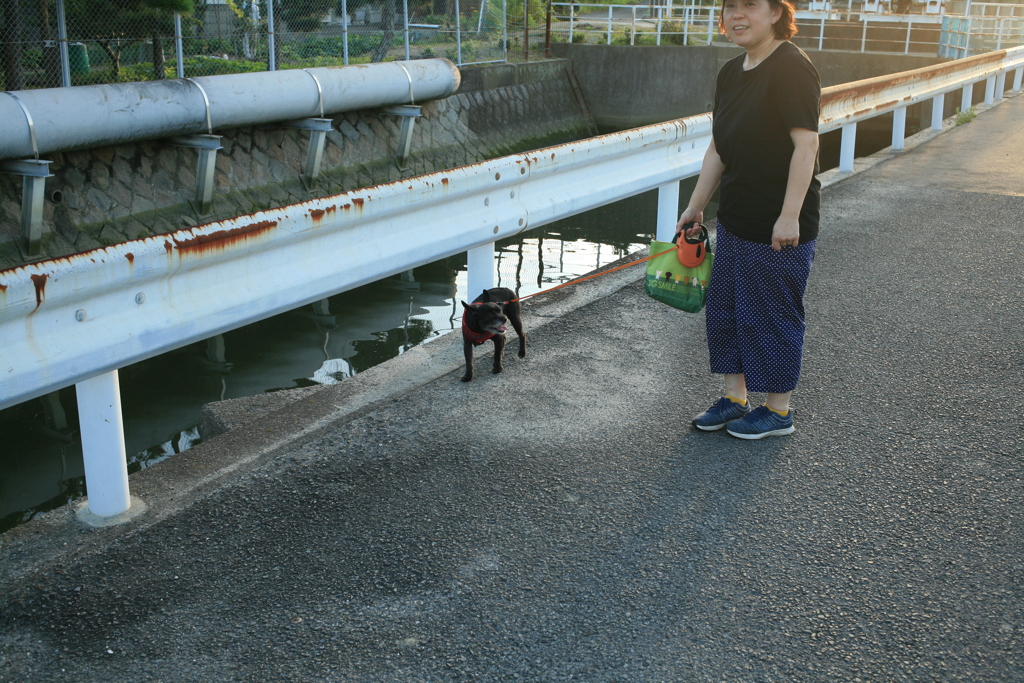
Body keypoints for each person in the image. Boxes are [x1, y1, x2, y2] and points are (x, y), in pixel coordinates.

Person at [677, 0, 821, 439]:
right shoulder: (730, 72)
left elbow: (806, 146)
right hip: (737, 217)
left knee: (772, 314)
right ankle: (735, 397)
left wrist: (789, 216)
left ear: (777, 13)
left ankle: (779, 410)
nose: (737, 16)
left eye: (749, 6)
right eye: (729, 7)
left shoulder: (791, 67)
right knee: (726, 311)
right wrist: (696, 205)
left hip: (779, 224)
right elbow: (719, 148)